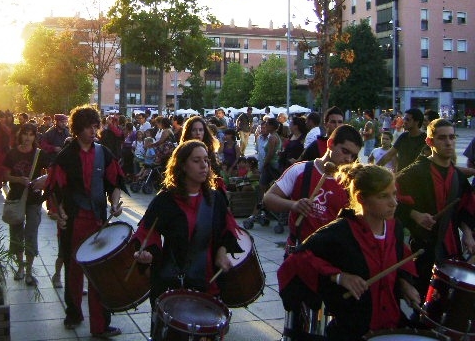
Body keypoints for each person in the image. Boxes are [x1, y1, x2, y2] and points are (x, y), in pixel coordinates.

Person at [278, 164, 420, 341]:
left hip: (391, 325)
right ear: (361, 199)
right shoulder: (341, 231)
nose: (394, 202)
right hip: (352, 329)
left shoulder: (395, 228)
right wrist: (338, 276)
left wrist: (405, 282)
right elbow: (298, 260)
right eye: (383, 196)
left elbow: (401, 257)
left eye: (394, 194)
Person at [131, 140, 243, 308]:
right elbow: (146, 235)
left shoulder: (216, 198)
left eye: (206, 160)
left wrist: (221, 252)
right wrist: (147, 255)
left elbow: (227, 231)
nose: (203, 165)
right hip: (173, 285)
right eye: (196, 161)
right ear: (182, 165)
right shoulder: (165, 201)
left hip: (208, 284)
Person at [46, 105, 125, 338]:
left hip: (98, 221)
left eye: (95, 126)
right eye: (88, 127)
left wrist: (115, 202)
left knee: (99, 273)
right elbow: (54, 188)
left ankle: (100, 325)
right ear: (77, 129)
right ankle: (74, 313)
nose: (93, 131)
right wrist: (58, 213)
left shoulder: (103, 152)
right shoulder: (66, 156)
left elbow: (116, 181)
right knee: (74, 270)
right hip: (73, 222)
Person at [395, 118, 475, 297]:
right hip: (423, 252)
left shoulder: (458, 178)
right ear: (430, 141)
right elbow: (390, 201)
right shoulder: (414, 173)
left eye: (452, 137)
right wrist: (414, 214)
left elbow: (464, 210)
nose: (448, 142)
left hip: (452, 251)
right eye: (442, 138)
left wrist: (468, 234)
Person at [264, 124, 363, 250]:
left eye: (353, 156)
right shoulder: (300, 170)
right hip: (299, 250)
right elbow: (268, 199)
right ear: (330, 143)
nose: (348, 159)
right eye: (345, 151)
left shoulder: (350, 183)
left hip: (332, 254)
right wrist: (293, 205)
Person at [2, 123, 51, 286]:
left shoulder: (39, 154)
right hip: (16, 197)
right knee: (16, 232)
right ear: (20, 135)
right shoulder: (12, 154)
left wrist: (43, 181)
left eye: (31, 135)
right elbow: (5, 175)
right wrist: (18, 180)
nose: (28, 138)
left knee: (31, 233)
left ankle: (29, 270)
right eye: (25, 134)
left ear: (35, 137)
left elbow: (50, 172)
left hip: (34, 199)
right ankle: (20, 267)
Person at [377, 108, 426, 172]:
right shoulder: (403, 136)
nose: (404, 122)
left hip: (418, 178)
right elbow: (389, 155)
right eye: (404, 119)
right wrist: (374, 169)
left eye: (407, 120)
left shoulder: (425, 139)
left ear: (416, 122)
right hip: (401, 177)